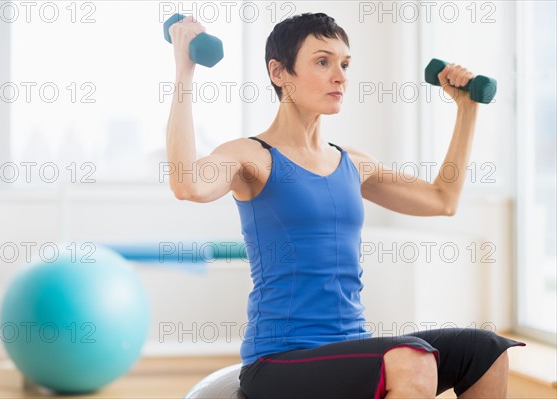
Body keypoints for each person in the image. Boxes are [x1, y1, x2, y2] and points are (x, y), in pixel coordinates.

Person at [166, 12, 525, 399]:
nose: (340, 76)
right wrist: (185, 71)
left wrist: (466, 108)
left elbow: (442, 200)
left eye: (345, 64)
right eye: (323, 62)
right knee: (413, 359)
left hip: (349, 348)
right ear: (279, 72)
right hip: (280, 361)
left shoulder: (352, 162)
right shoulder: (252, 156)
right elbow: (187, 183)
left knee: (486, 351)